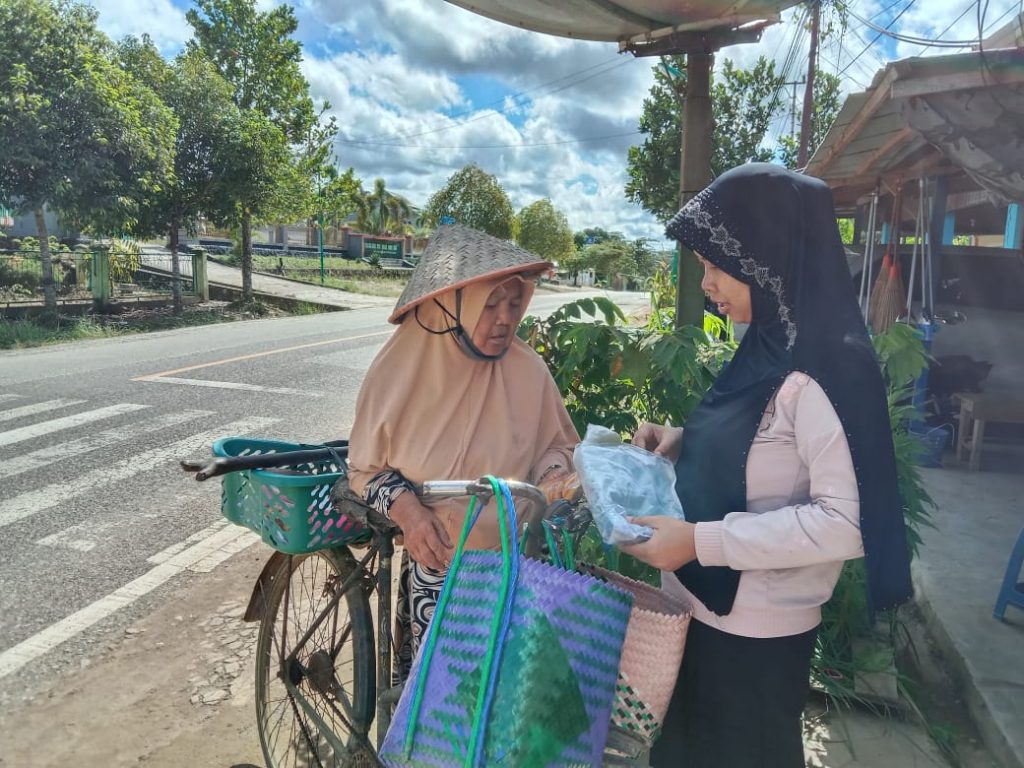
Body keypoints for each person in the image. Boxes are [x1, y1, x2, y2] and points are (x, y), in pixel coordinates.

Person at [625, 164, 914, 768]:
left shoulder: (828, 367)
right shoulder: (768, 342)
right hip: (700, 609)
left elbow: (847, 522)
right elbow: (763, 443)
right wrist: (679, 440)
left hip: (754, 637)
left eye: (714, 265)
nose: (706, 283)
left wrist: (699, 542)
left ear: (766, 255)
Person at [346, 223, 579, 680]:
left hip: (518, 555)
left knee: (511, 699)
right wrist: (410, 514)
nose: (506, 319)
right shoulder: (398, 369)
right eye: (489, 304)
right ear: (451, 305)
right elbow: (366, 469)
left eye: (515, 304)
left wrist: (554, 476)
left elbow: (556, 444)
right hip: (437, 556)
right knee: (440, 699)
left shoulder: (527, 369)